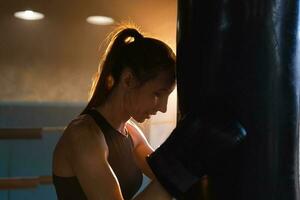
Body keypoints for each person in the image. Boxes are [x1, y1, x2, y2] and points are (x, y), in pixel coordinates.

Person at [52, 24, 176, 200]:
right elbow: (171, 180)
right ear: (128, 80)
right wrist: (175, 175)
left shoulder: (131, 135)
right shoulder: (84, 136)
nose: (163, 108)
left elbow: (172, 178)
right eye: (157, 94)